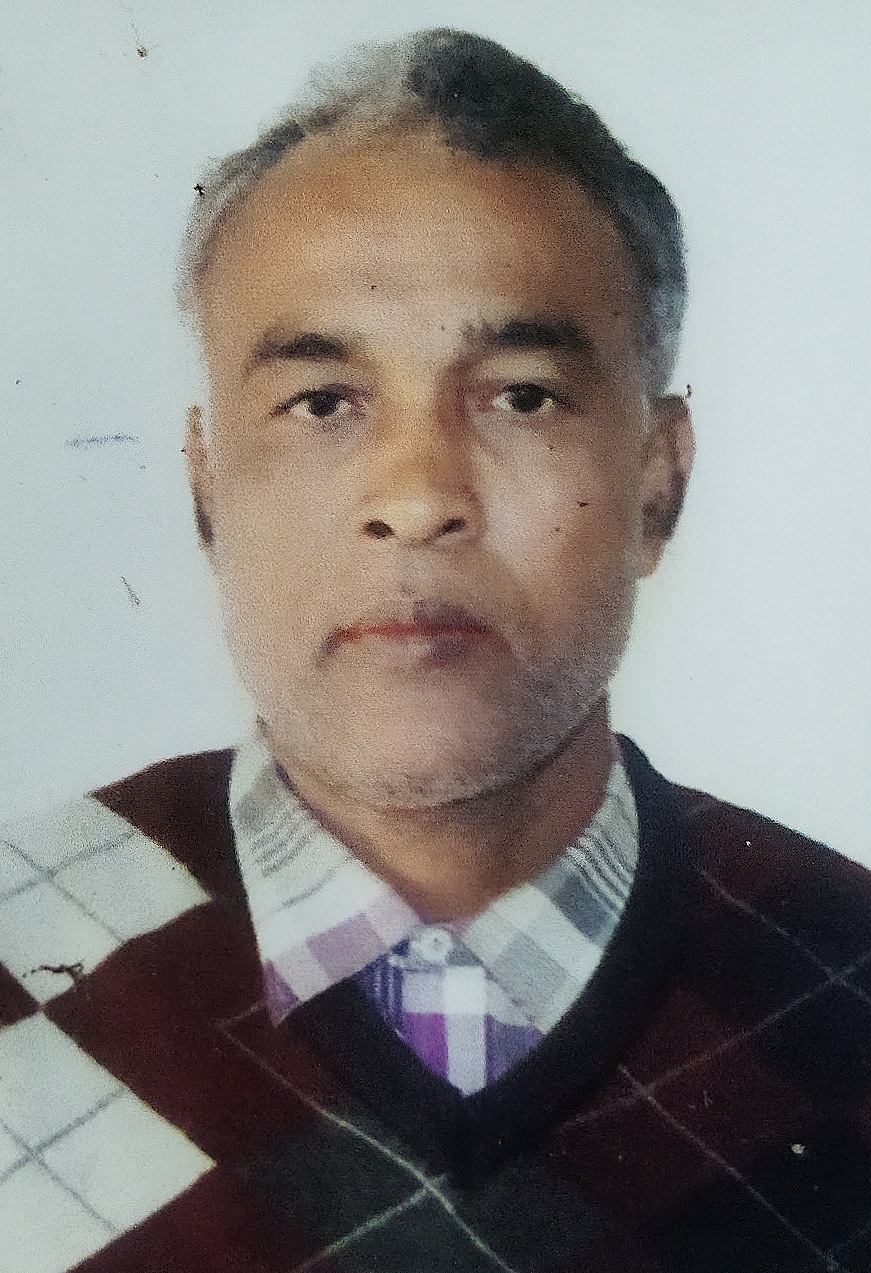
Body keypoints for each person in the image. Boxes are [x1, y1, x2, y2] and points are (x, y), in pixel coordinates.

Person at [1, 27, 869, 1273]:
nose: (416, 499)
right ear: (205, 491)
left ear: (658, 484)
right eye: (322, 402)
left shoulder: (845, 979)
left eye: (521, 395)